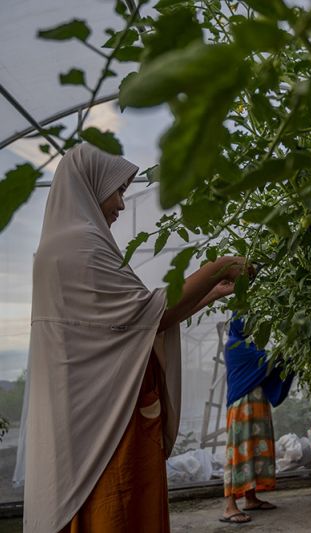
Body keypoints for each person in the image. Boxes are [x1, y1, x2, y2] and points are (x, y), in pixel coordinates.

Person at [20, 143, 250, 533]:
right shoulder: (80, 246)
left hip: (104, 416)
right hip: (106, 426)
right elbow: (148, 312)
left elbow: (140, 319)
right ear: (90, 186)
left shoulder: (66, 245)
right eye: (119, 191)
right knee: (117, 512)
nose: (122, 205)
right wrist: (220, 266)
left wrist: (211, 292)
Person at [219, 317, 294, 524]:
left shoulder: (250, 345)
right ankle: (229, 506)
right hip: (242, 408)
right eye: (247, 322)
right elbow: (267, 360)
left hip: (256, 407)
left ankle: (250, 499)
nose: (250, 326)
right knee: (238, 454)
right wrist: (288, 348)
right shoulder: (235, 346)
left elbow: (267, 362)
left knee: (253, 451)